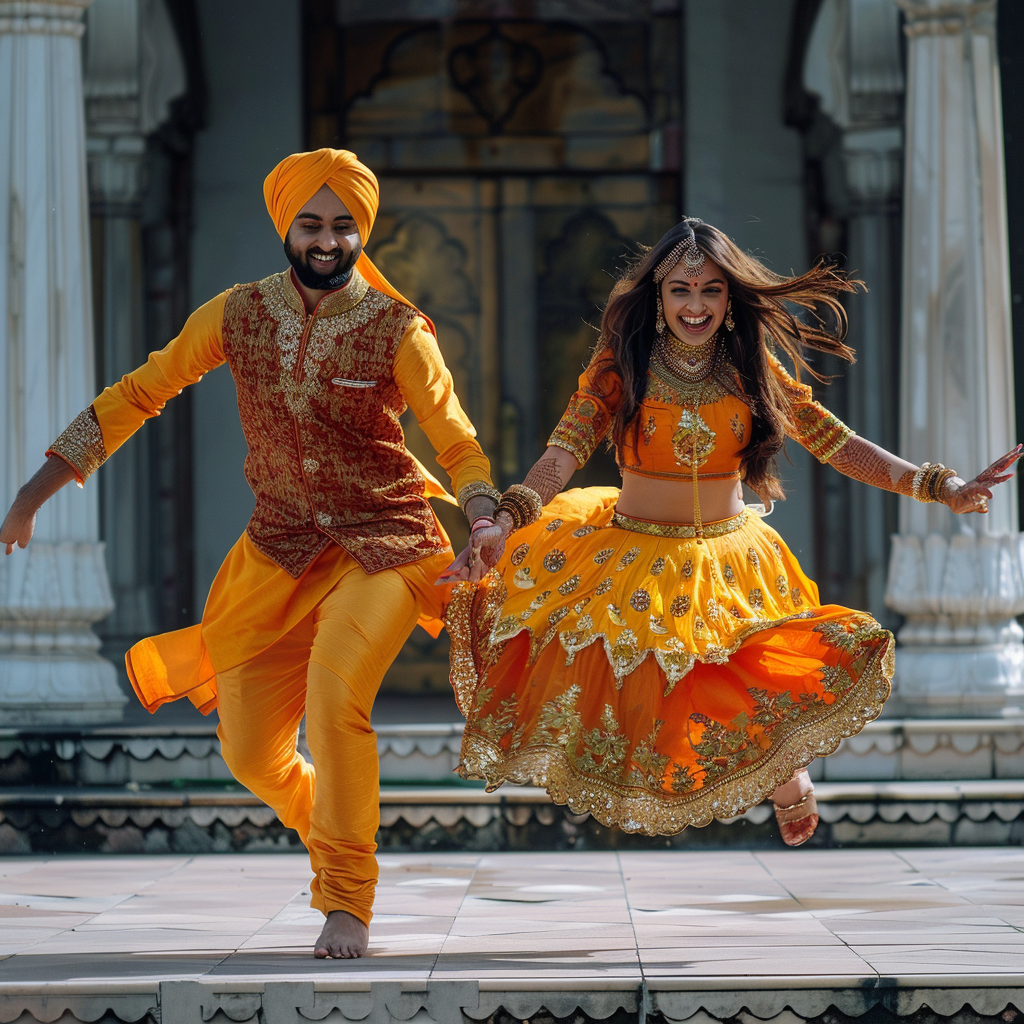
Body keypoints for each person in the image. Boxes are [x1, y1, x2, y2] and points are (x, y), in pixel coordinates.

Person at [0, 148, 500, 959]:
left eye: (344, 226)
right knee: (248, 752)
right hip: (277, 550)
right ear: (287, 227)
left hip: (385, 544)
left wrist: (481, 514)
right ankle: (342, 829)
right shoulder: (236, 315)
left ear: (362, 232)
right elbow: (140, 392)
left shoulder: (397, 330)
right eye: (312, 223)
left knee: (337, 702)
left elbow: (456, 438)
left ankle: (346, 897)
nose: (327, 240)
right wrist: (34, 492)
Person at [442, 218, 1019, 846]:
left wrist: (938, 487)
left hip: (729, 554)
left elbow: (837, 443)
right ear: (658, 299)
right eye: (682, 292)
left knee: (745, 670)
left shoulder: (750, 366)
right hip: (631, 550)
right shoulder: (622, 365)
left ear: (729, 298)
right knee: (634, 676)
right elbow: (562, 452)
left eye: (711, 291)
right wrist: (508, 517)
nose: (696, 306)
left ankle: (787, 774)